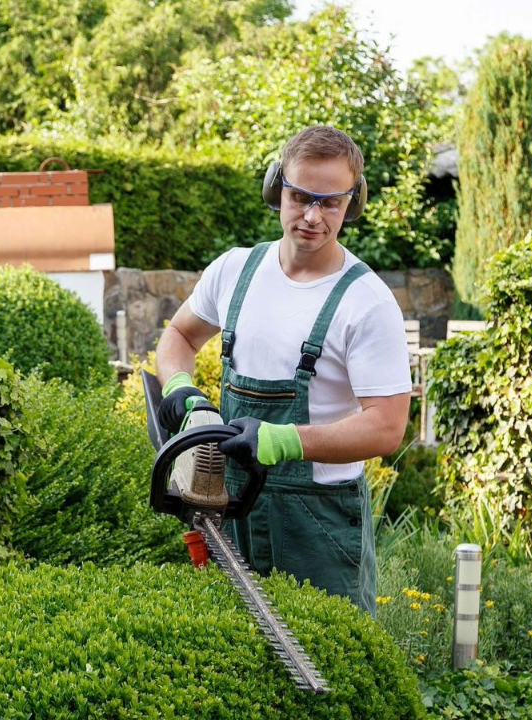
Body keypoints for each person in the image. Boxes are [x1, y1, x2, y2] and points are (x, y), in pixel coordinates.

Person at [154, 125, 411, 613]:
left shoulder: (366, 301)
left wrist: (282, 440)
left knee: (333, 668)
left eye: (330, 202)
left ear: (351, 205)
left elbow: (386, 427)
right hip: (227, 506)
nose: (312, 216)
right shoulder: (234, 271)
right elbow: (179, 336)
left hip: (317, 522)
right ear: (278, 189)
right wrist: (183, 391)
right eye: (300, 197)